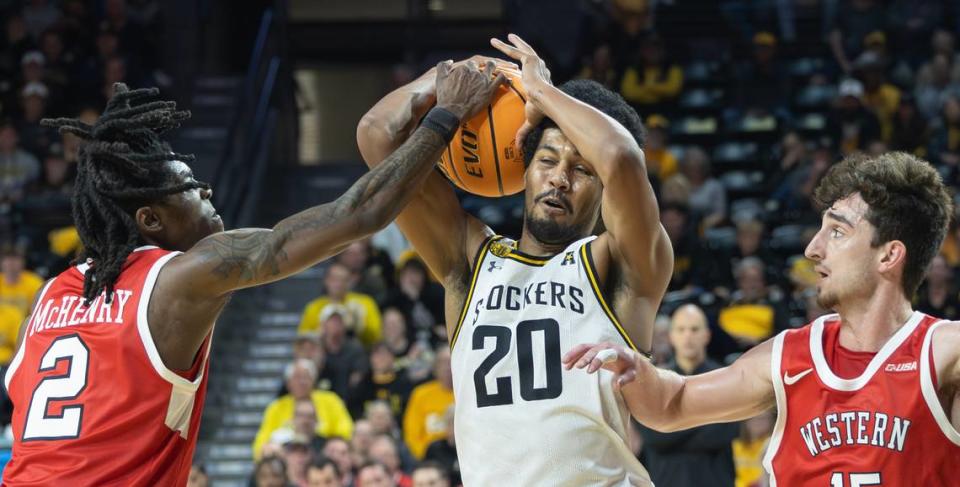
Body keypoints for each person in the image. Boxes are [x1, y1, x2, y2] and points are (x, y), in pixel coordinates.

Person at [2, 69, 505, 485]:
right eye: (191, 189)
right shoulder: (179, 277)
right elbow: (359, 213)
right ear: (151, 220)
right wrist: (445, 117)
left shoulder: (50, 296)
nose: (207, 191)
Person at [357, 34, 672, 486]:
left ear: (605, 190)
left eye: (582, 169)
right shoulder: (468, 260)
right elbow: (376, 134)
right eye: (547, 159)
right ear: (523, 170)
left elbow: (622, 156)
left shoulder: (620, 264)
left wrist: (540, 91)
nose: (559, 179)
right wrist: (456, 76)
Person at [565, 152, 960, 485]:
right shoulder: (789, 355)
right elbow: (673, 404)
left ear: (889, 255)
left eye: (837, 233)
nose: (812, 249)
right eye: (819, 230)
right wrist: (638, 369)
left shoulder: (941, 352)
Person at [636, 304, 738, 487]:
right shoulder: (656, 381)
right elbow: (654, 438)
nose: (688, 336)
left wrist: (670, 423)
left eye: (694, 329)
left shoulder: (725, 378)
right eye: (681, 330)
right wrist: (707, 417)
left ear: (707, 335)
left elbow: (722, 434)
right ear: (671, 336)